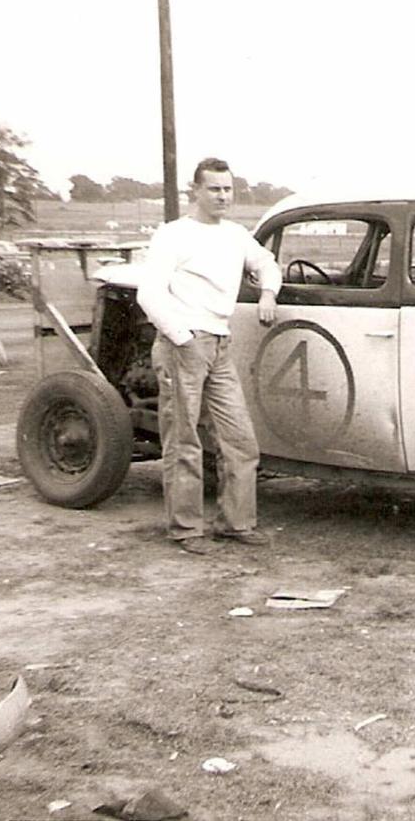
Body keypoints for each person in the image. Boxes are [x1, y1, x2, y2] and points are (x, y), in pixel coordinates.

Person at [137, 158, 282, 554]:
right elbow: (149, 294)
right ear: (196, 191)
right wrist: (182, 339)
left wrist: (268, 293)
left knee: (240, 440)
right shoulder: (173, 235)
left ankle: (236, 523)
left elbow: (266, 263)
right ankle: (186, 529)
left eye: (227, 189)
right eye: (214, 189)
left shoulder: (235, 235)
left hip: (219, 344)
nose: (222, 196)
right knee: (184, 440)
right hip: (183, 343)